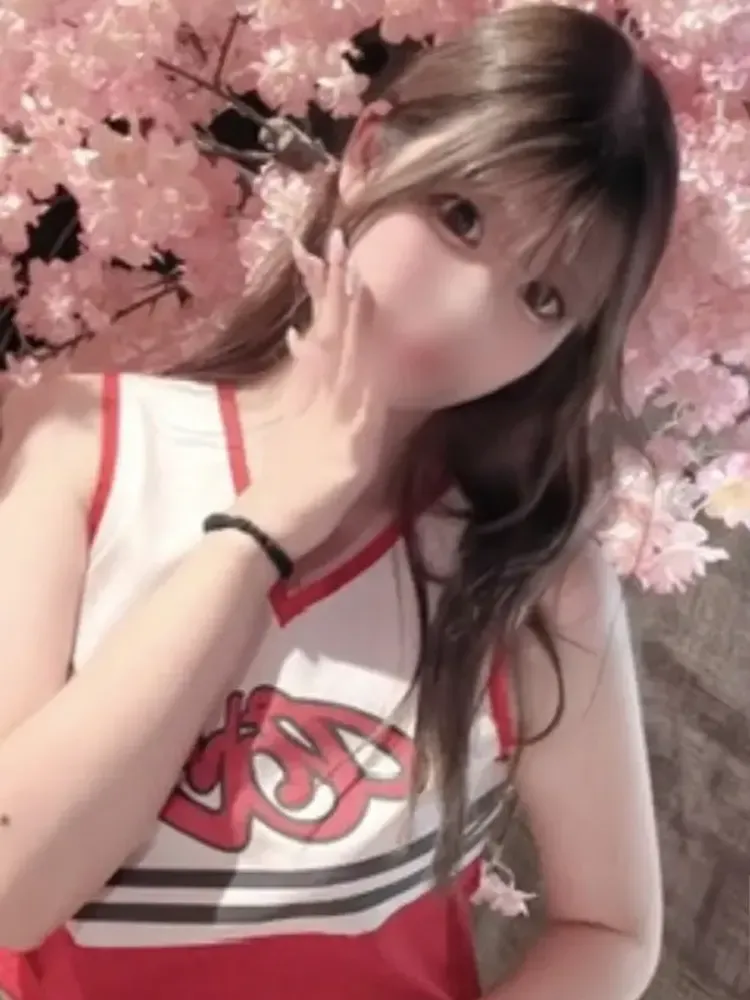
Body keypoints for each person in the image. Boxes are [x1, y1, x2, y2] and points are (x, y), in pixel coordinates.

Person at [0, 5, 679, 1000]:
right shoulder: (86, 445)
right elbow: (13, 889)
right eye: (460, 216)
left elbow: (613, 927)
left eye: (544, 298)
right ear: (367, 153)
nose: (465, 312)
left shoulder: (530, 578)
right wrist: (270, 524)